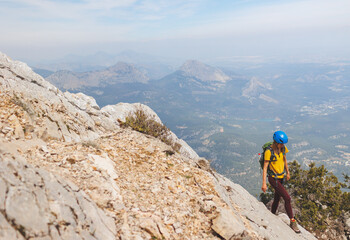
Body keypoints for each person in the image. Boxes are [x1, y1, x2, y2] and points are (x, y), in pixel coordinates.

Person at [261, 131, 301, 233]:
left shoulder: (282, 148)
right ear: (276, 142)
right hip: (273, 178)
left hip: (281, 177)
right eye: (281, 143)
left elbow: (284, 160)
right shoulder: (268, 151)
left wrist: (287, 172)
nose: (283, 145)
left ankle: (272, 215)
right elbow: (265, 168)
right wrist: (264, 183)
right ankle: (292, 221)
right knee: (287, 198)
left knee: (277, 198)